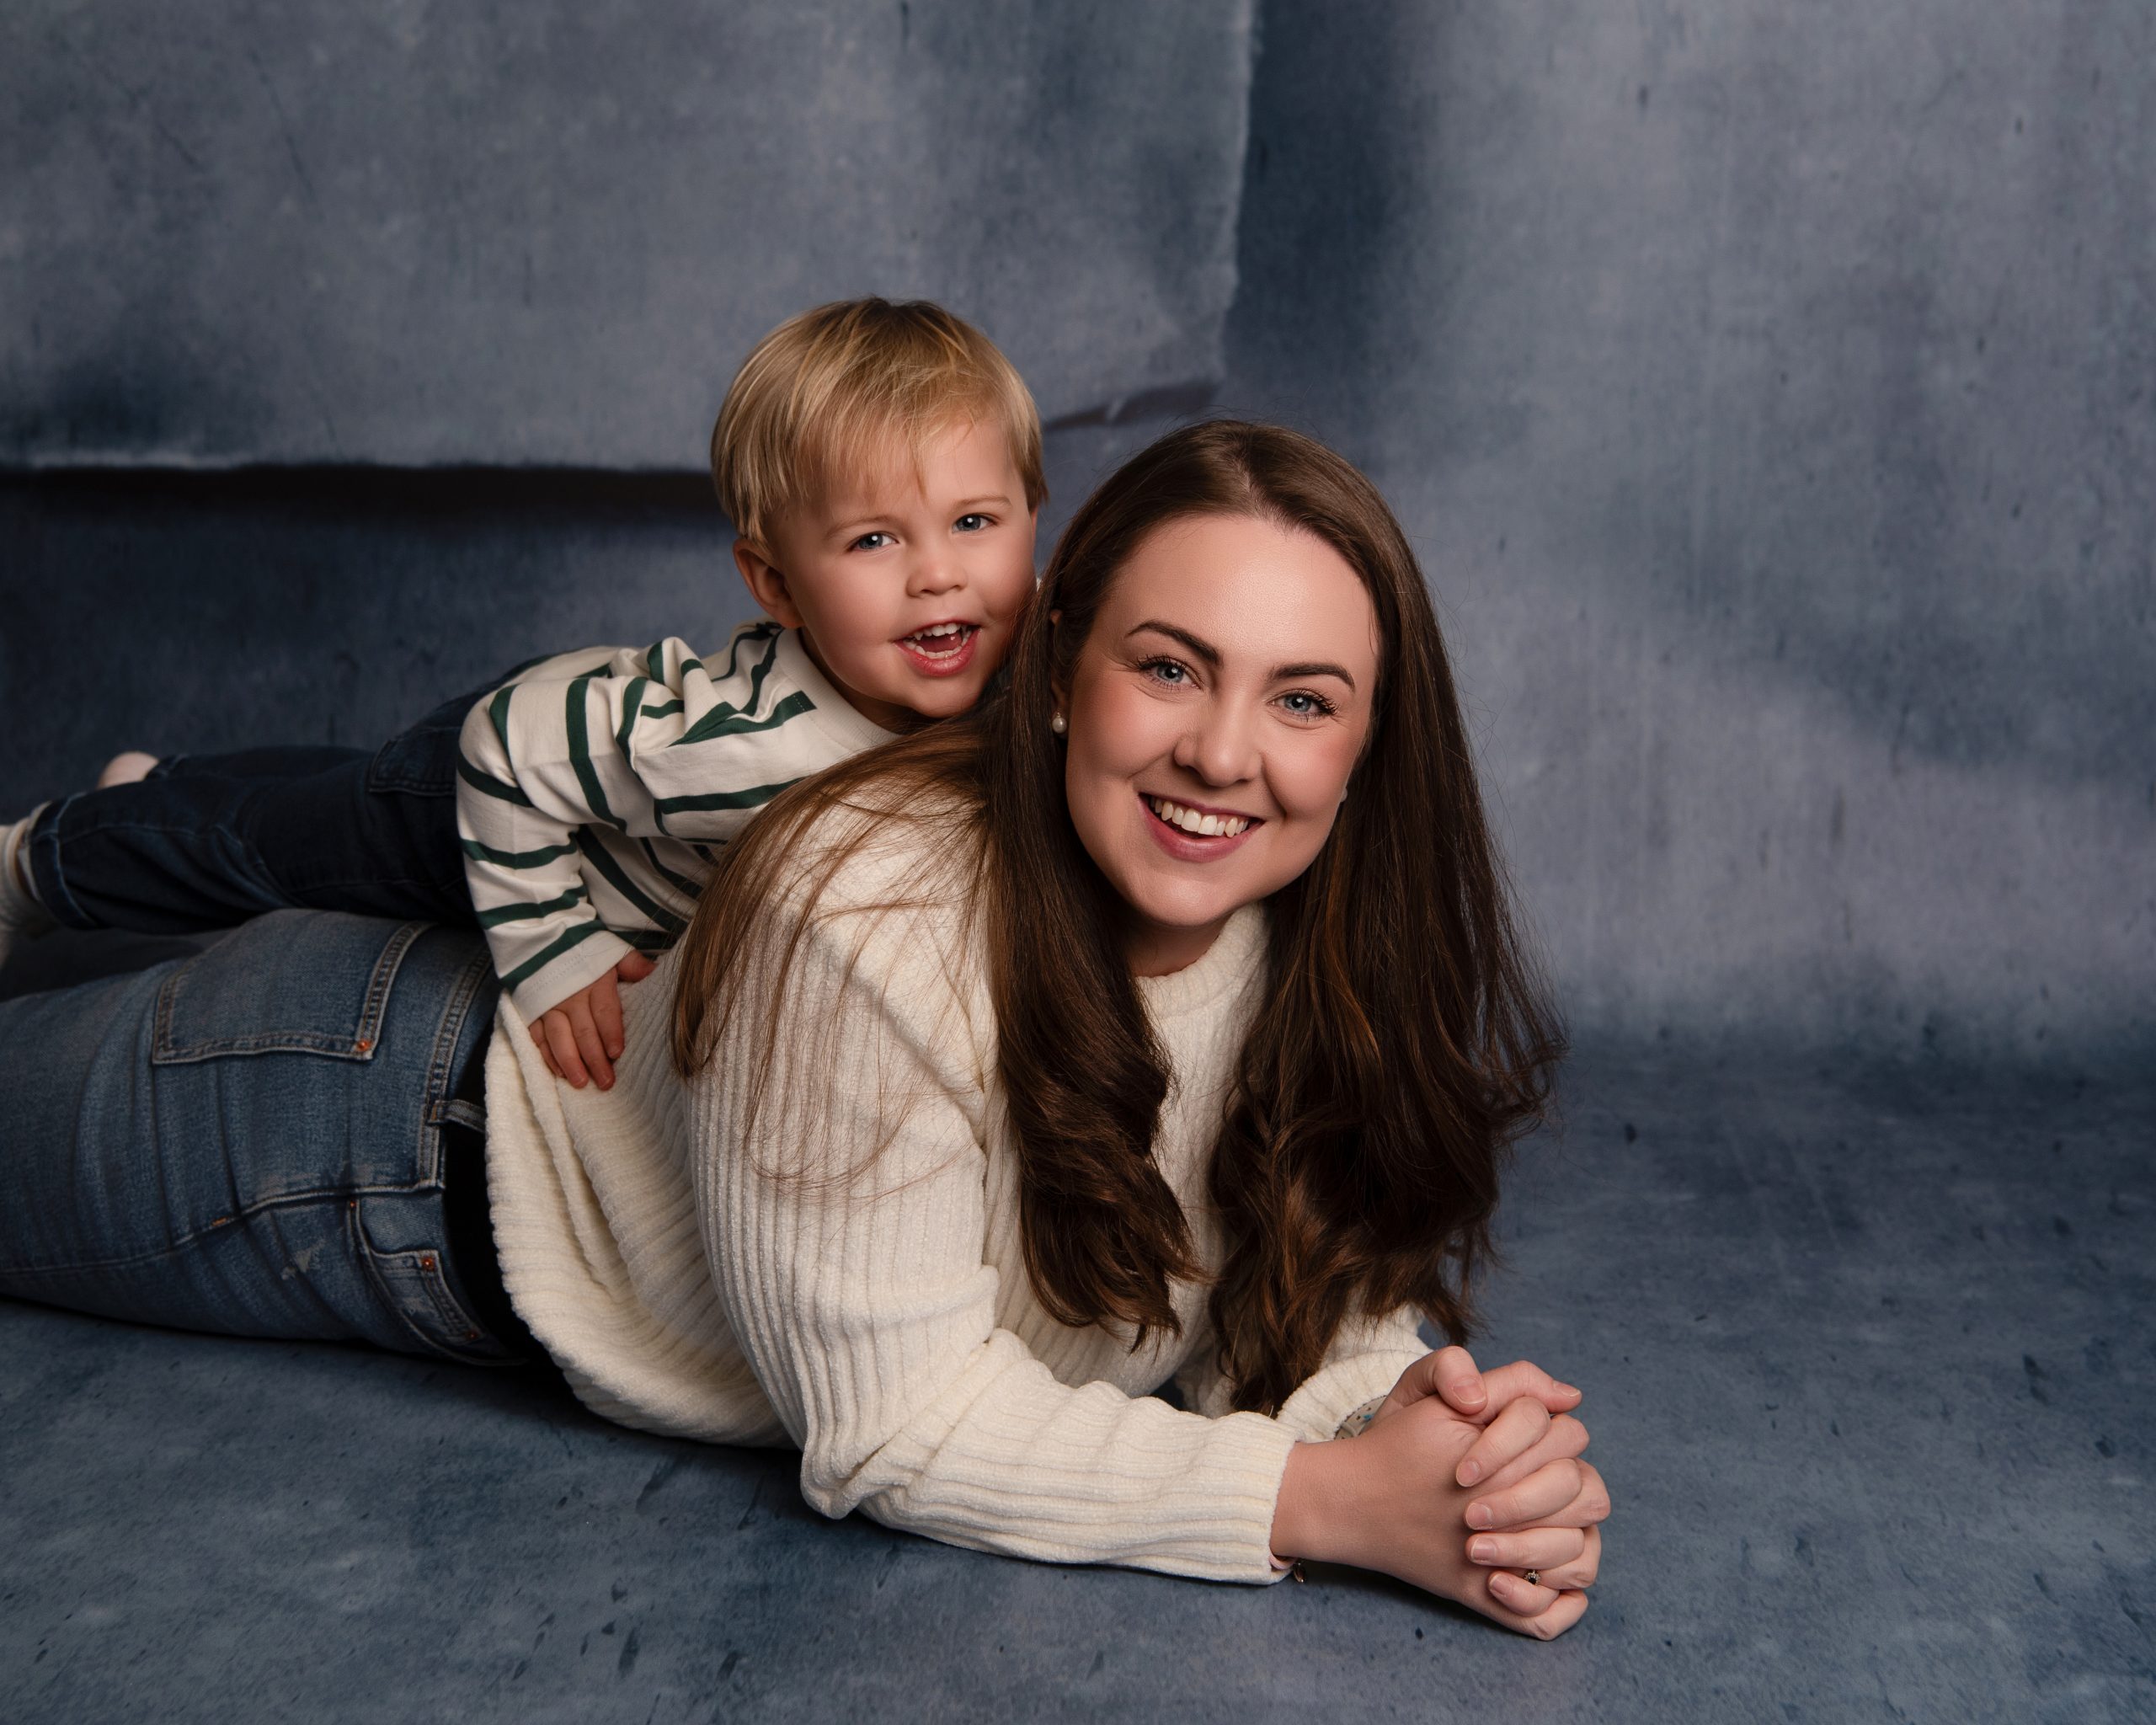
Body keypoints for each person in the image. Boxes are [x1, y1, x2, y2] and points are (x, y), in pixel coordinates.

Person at [0, 420, 1605, 1637]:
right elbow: (893, 1426)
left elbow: (1291, 1270)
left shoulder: (1307, 928)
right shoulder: (874, 914)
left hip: (556, 1017)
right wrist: (1323, 1500)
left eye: (1304, 699)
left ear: (1370, 746)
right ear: (1060, 669)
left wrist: (1438, 1446)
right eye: (1170, 667)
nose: (1224, 751)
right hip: (362, 1131)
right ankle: (116, 860)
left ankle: (180, 833)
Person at [0, 298, 1043, 1093]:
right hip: (495, 789)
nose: (938, 573)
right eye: (874, 539)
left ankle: (163, 782)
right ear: (775, 584)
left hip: (573, 748)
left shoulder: (1018, 644)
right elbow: (506, 746)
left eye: (975, 521)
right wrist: (552, 943)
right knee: (266, 848)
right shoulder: (748, 748)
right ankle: (39, 861)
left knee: (319, 787)